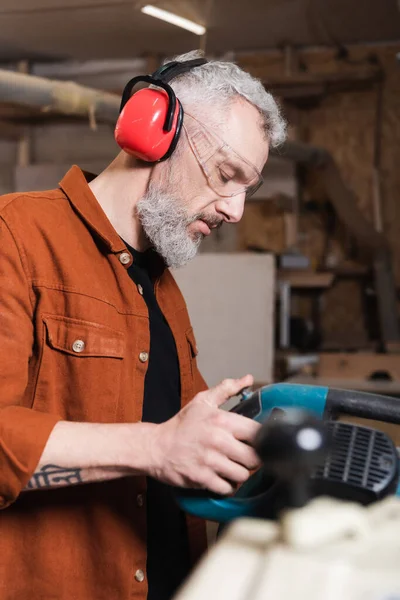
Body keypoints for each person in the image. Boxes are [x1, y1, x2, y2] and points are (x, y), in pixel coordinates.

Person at [0, 49, 286, 600]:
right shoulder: (15, 237)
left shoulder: (162, 286)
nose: (236, 212)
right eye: (229, 176)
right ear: (156, 129)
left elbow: (180, 442)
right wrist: (154, 448)